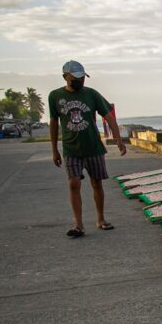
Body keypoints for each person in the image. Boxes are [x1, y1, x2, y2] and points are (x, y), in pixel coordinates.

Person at [48, 60, 125, 238]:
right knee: (74, 184)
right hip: (71, 148)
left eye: (82, 77)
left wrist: (118, 139)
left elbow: (108, 116)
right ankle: (79, 224)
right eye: (76, 77)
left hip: (93, 147)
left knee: (96, 183)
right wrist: (54, 150)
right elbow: (53, 123)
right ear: (65, 77)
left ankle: (100, 219)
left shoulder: (91, 94)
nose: (80, 80)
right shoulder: (55, 96)